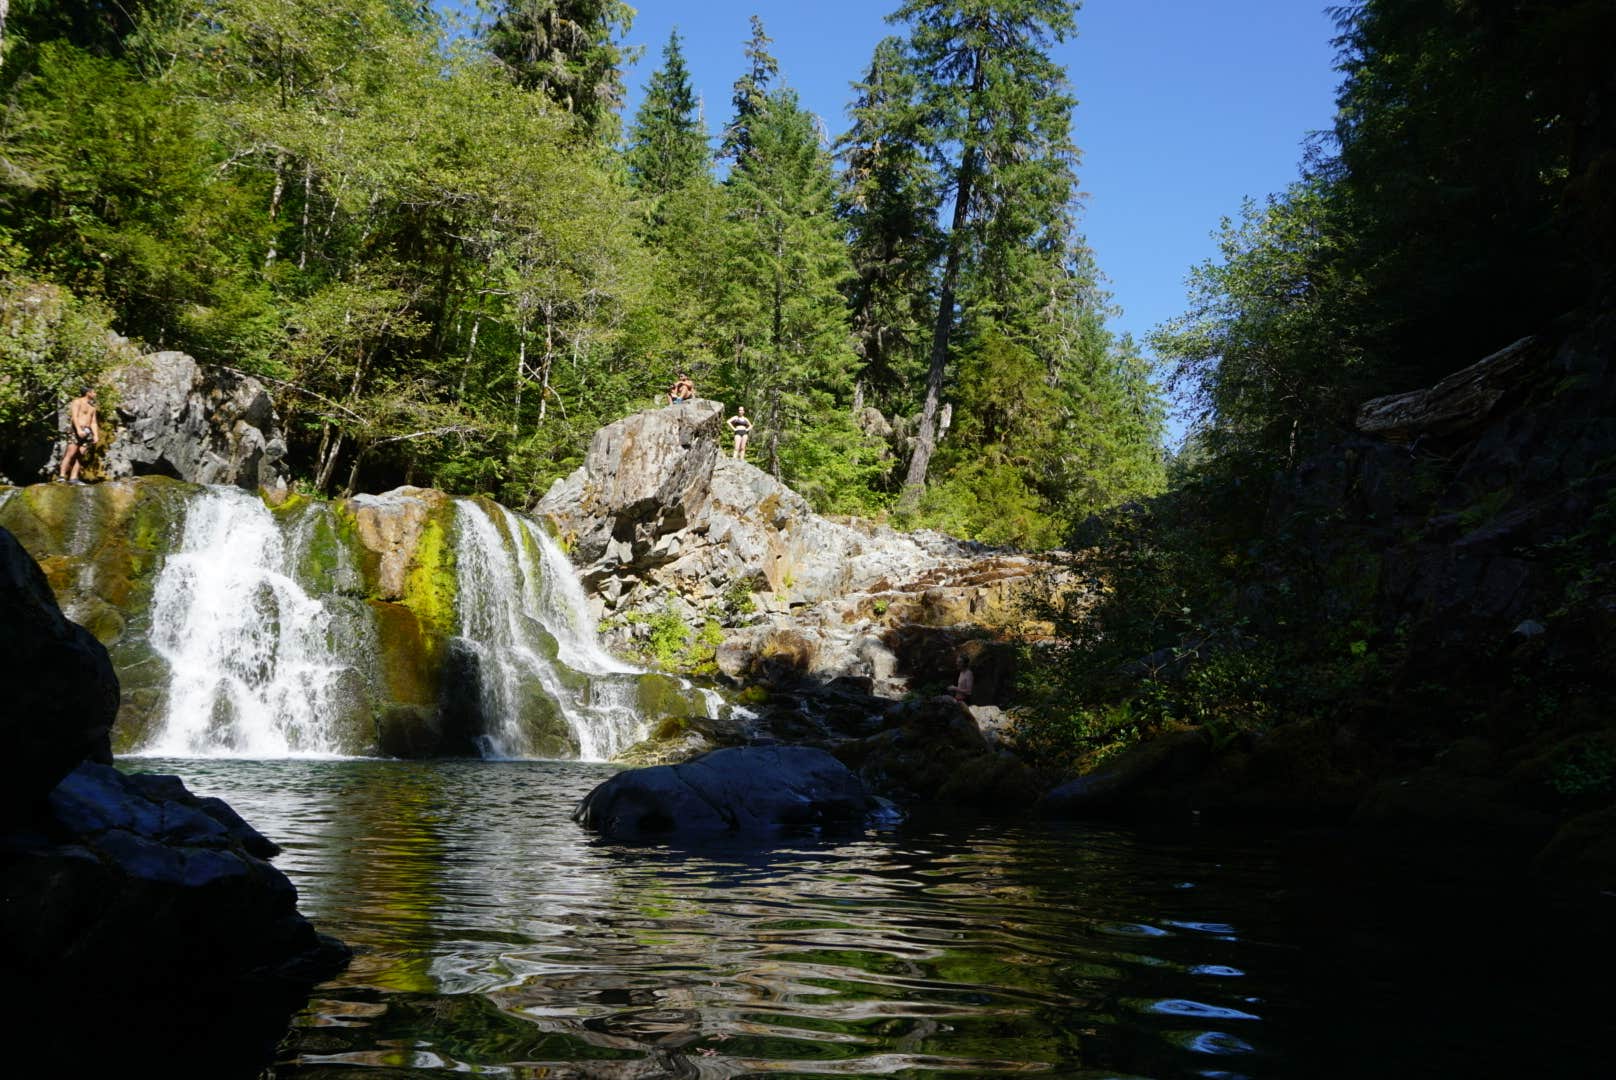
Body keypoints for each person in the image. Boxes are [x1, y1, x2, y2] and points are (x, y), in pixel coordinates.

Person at [57, 387, 100, 485]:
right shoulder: (77, 402)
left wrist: (96, 435)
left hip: (87, 431)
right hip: (76, 430)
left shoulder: (92, 407)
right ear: (88, 393)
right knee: (70, 452)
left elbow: (93, 422)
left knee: (81, 454)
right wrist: (79, 430)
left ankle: (74, 477)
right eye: (94, 392)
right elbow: (74, 417)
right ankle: (62, 476)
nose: (95, 394)